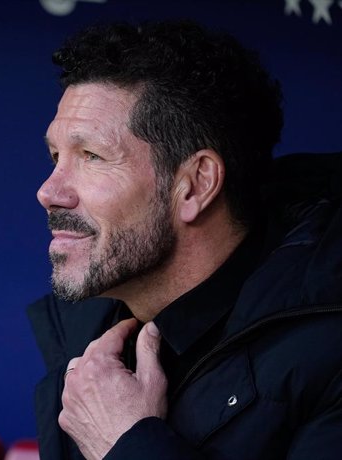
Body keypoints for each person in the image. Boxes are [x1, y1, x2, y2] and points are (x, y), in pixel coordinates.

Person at [28, 20, 342, 460]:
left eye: (92, 156)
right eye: (56, 156)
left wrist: (128, 444)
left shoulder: (329, 357)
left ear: (195, 185)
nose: (48, 191)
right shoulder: (88, 337)